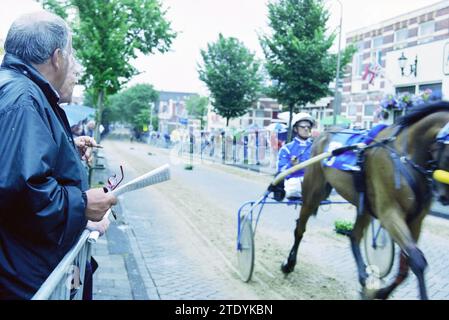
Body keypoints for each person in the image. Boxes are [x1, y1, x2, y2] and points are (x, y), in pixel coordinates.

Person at [0, 11, 117, 300]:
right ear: (57, 57)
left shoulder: (16, 90)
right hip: (23, 275)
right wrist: (83, 204)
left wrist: (66, 149)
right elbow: (23, 189)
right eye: (70, 53)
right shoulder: (24, 99)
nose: (71, 62)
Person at [276, 112, 316, 199]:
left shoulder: (316, 147)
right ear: (295, 129)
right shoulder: (286, 149)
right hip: (294, 182)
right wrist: (291, 165)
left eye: (308, 127)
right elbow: (281, 170)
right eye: (303, 127)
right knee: (294, 188)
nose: (306, 129)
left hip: (313, 181)